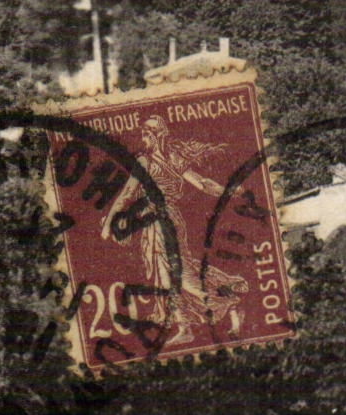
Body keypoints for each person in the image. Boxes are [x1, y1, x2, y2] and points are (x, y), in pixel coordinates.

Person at [101, 115, 247, 346]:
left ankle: (228, 301)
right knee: (169, 274)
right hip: (162, 221)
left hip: (162, 222)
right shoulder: (169, 159)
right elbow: (202, 183)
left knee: (177, 274)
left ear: (158, 136)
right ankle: (187, 324)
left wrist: (110, 223)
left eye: (147, 134)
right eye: (142, 134)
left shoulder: (149, 161)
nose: (143, 138)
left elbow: (129, 194)